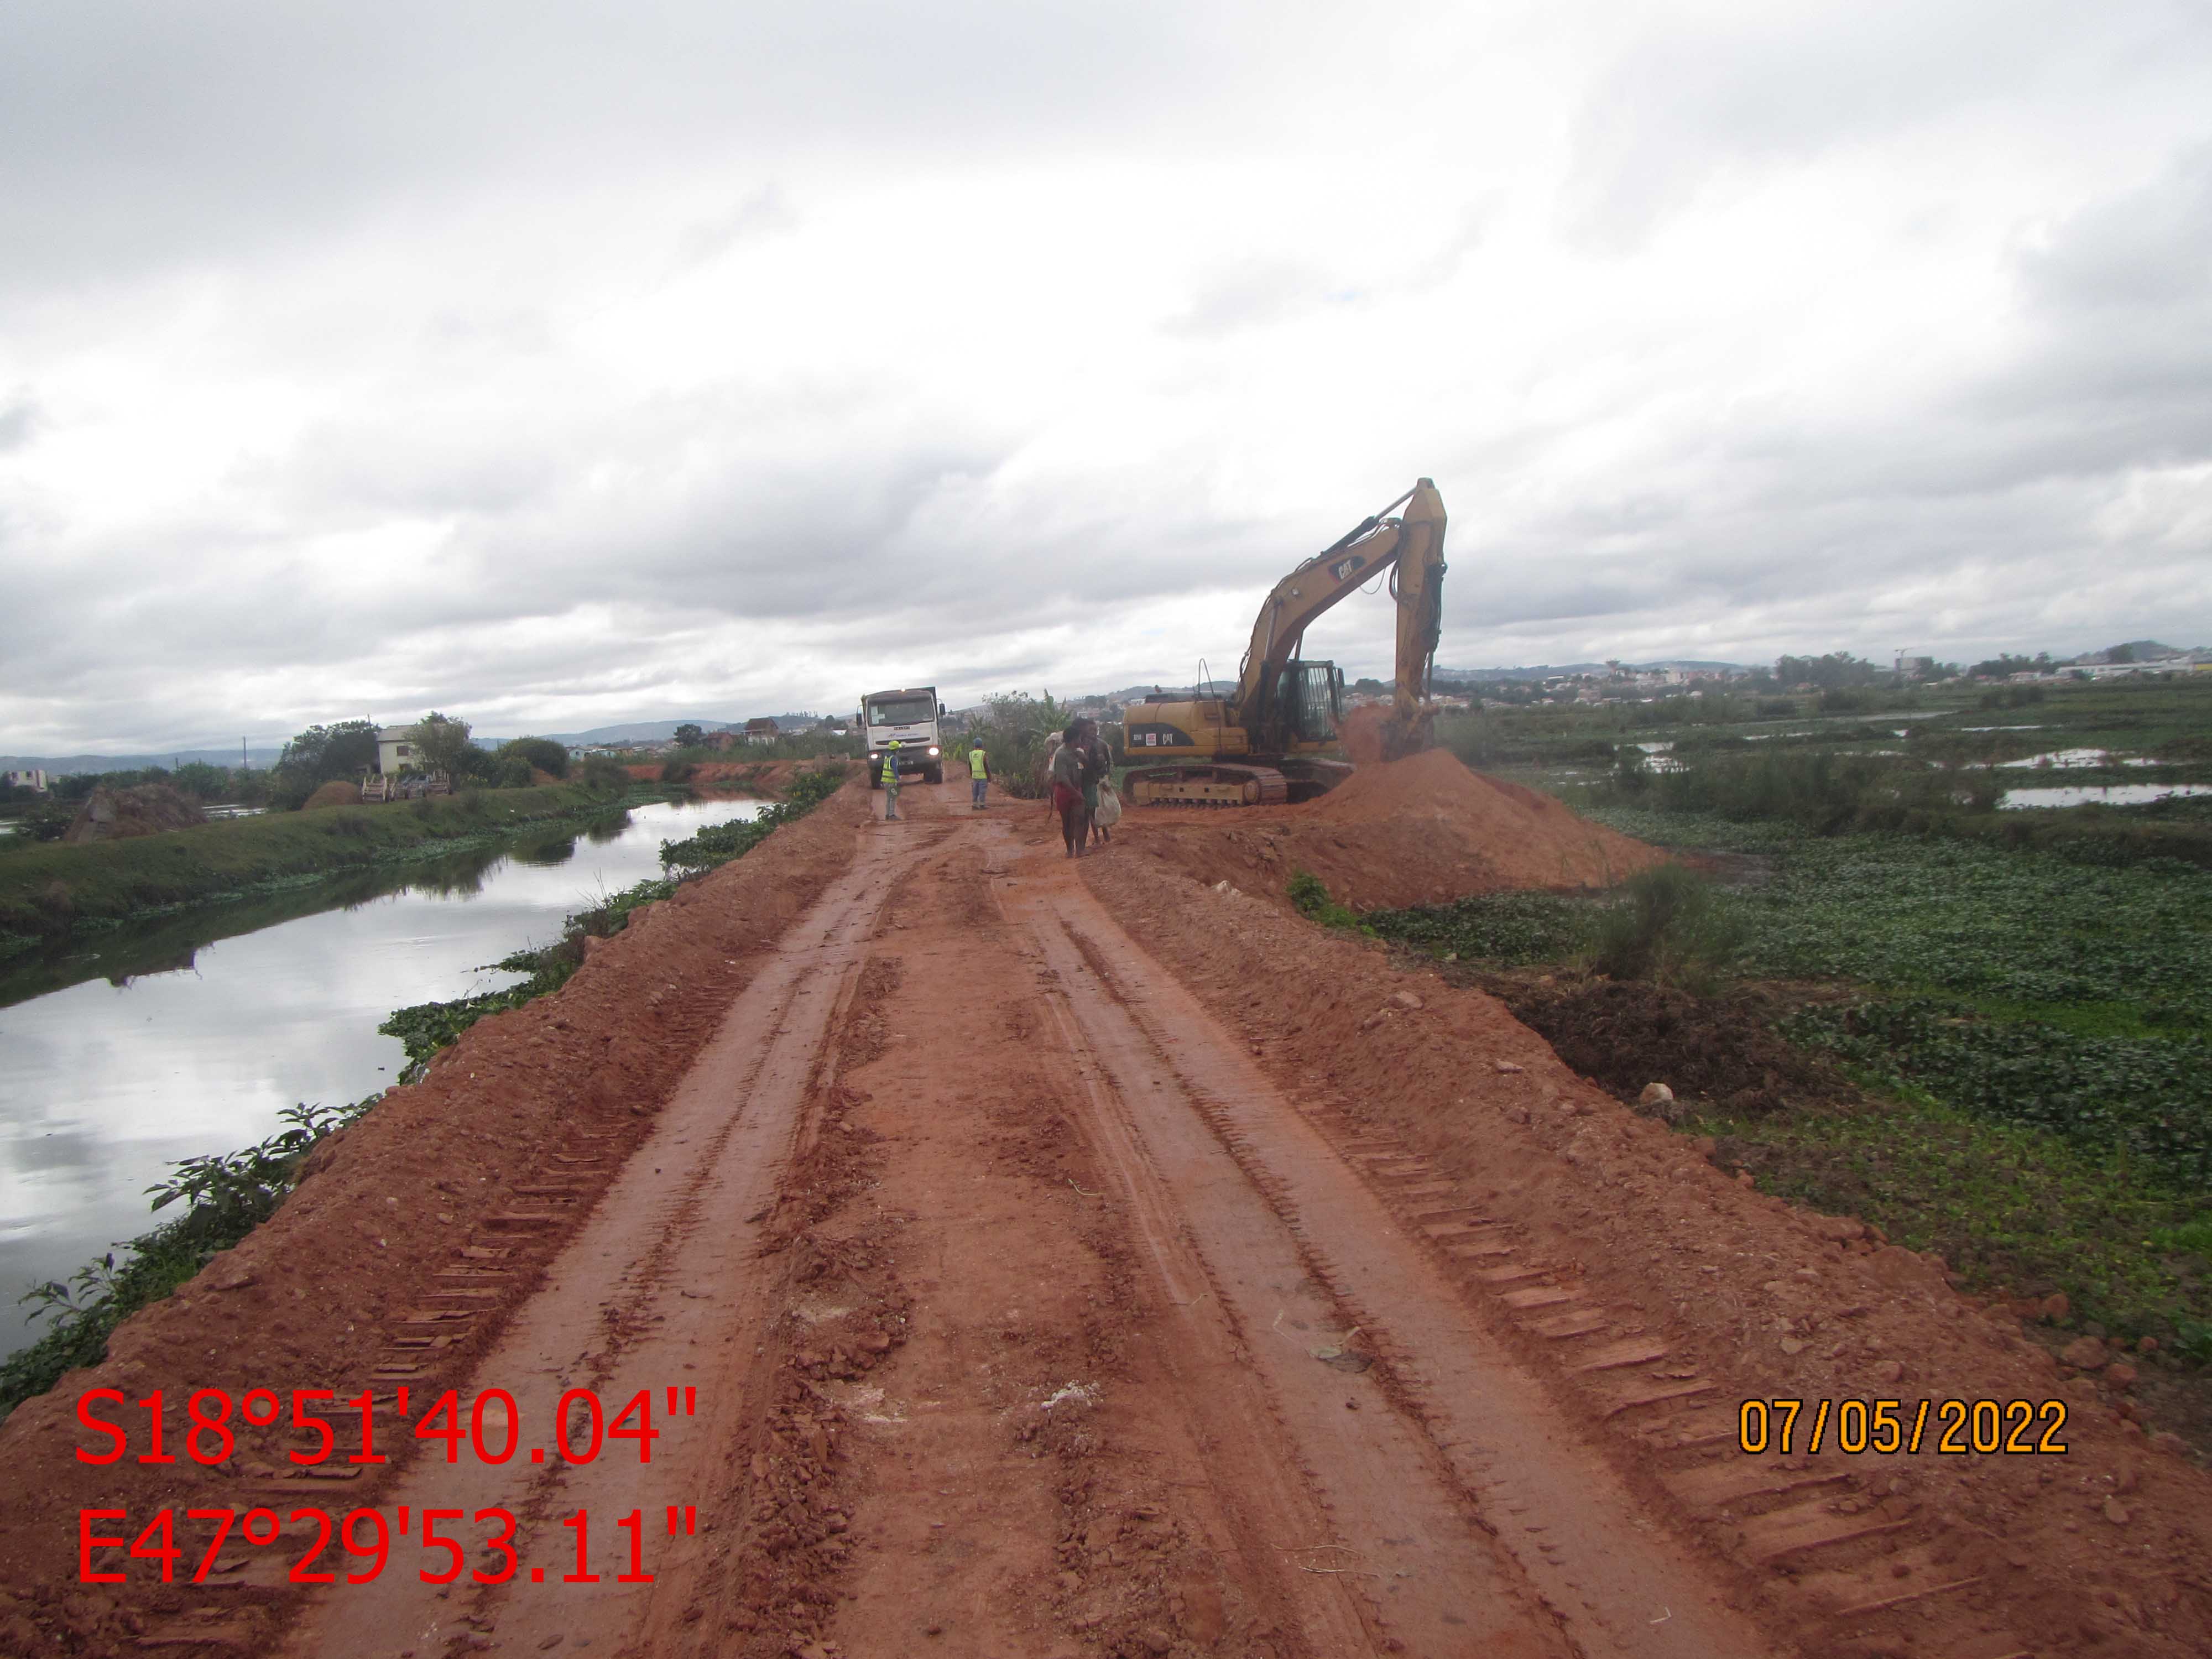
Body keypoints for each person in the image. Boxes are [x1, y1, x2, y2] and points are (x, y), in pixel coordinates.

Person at [1048, 723, 1086, 857]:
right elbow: (1062, 778)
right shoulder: (1061, 754)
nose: (1081, 741)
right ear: (1074, 739)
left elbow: (1087, 769)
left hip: (1076, 789)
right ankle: (1070, 849)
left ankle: (1080, 849)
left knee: (1080, 819)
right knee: (1067, 822)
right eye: (1079, 738)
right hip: (1065, 791)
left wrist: (1084, 760)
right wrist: (1076, 793)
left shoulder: (1078, 753)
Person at [1077, 719, 1113, 847]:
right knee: (1092, 810)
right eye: (1091, 730)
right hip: (1089, 781)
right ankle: (1097, 838)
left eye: (1095, 729)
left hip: (1101, 781)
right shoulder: (1082, 746)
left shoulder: (1102, 744)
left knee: (1101, 808)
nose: (1094, 732)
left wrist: (1107, 777)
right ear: (1085, 731)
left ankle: (1106, 833)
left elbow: (1109, 762)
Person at [882, 740, 902, 821]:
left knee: (888, 798)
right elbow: (895, 770)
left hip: (885, 780)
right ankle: (892, 815)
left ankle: (887, 815)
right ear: (896, 750)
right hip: (891, 781)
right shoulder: (894, 758)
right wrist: (898, 779)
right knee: (893, 797)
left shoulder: (887, 757)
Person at [968, 742, 989, 810]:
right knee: (982, 791)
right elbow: (986, 766)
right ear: (982, 746)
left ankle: (974, 805)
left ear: (974, 746)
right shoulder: (983, 754)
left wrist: (972, 774)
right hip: (983, 776)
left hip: (975, 776)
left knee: (975, 791)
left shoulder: (971, 754)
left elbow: (970, 766)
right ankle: (982, 805)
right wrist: (989, 776)